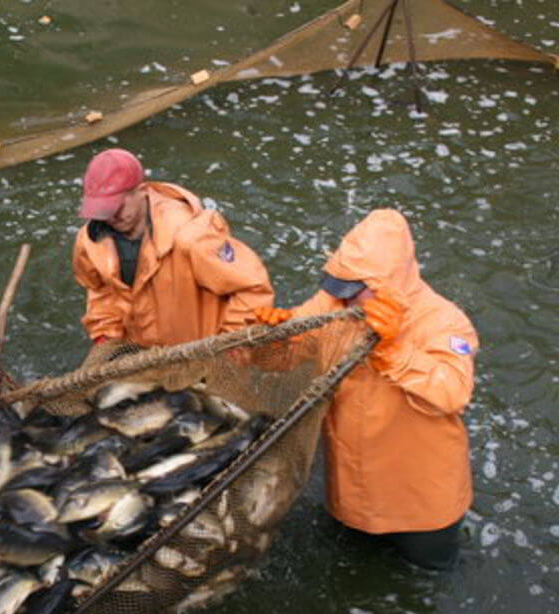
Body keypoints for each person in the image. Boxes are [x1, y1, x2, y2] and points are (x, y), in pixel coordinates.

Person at [254, 209, 478, 570]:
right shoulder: (336, 306)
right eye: (344, 288)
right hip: (352, 491)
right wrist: (268, 339)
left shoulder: (444, 322)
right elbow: (283, 357)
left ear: (390, 281)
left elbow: (453, 392)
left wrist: (394, 351)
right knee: (353, 574)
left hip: (420, 503)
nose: (350, 299)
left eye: (360, 290)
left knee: (426, 578)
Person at [72, 148, 274, 348]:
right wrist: (105, 335)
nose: (111, 217)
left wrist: (229, 343)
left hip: (201, 353)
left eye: (118, 207)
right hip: (141, 356)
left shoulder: (193, 237)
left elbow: (253, 289)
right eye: (104, 209)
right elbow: (100, 292)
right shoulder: (90, 242)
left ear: (142, 191)